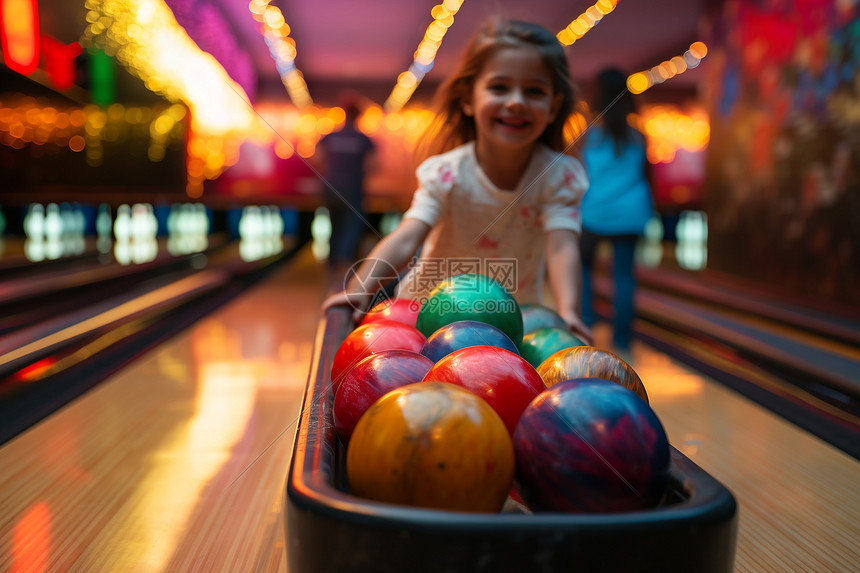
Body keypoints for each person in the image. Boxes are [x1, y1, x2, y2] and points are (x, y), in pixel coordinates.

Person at [323, 19, 592, 344]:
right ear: (467, 99)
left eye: (534, 91)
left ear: (553, 107)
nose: (516, 101)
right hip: (426, 316)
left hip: (510, 322)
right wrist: (359, 290)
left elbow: (562, 248)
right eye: (499, 87)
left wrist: (570, 312)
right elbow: (407, 236)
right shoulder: (446, 172)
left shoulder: (558, 177)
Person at [580, 67, 655, 353]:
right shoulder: (638, 137)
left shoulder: (589, 136)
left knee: (582, 265)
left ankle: (585, 325)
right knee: (624, 275)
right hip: (630, 212)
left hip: (595, 210)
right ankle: (622, 338)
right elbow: (647, 175)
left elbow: (578, 176)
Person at [314, 91, 377, 281]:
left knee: (334, 224)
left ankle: (331, 264)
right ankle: (344, 262)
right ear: (359, 116)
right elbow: (374, 165)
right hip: (353, 188)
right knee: (351, 225)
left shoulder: (330, 136)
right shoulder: (363, 139)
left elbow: (316, 157)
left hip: (331, 187)